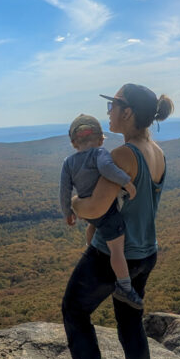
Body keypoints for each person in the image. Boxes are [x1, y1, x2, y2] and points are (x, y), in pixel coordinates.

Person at [53, 83, 173, 359]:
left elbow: (95, 206)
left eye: (113, 105)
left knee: (74, 308)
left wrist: (74, 205)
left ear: (128, 113)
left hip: (111, 253)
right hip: (145, 253)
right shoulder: (158, 152)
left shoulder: (123, 156)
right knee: (131, 328)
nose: (108, 112)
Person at [59, 114, 143, 309]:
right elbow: (107, 168)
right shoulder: (99, 153)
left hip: (88, 213)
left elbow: (64, 191)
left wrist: (67, 213)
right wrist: (126, 183)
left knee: (93, 226)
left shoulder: (68, 163)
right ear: (100, 139)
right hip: (106, 213)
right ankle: (125, 286)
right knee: (117, 250)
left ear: (73, 143)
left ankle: (92, 249)